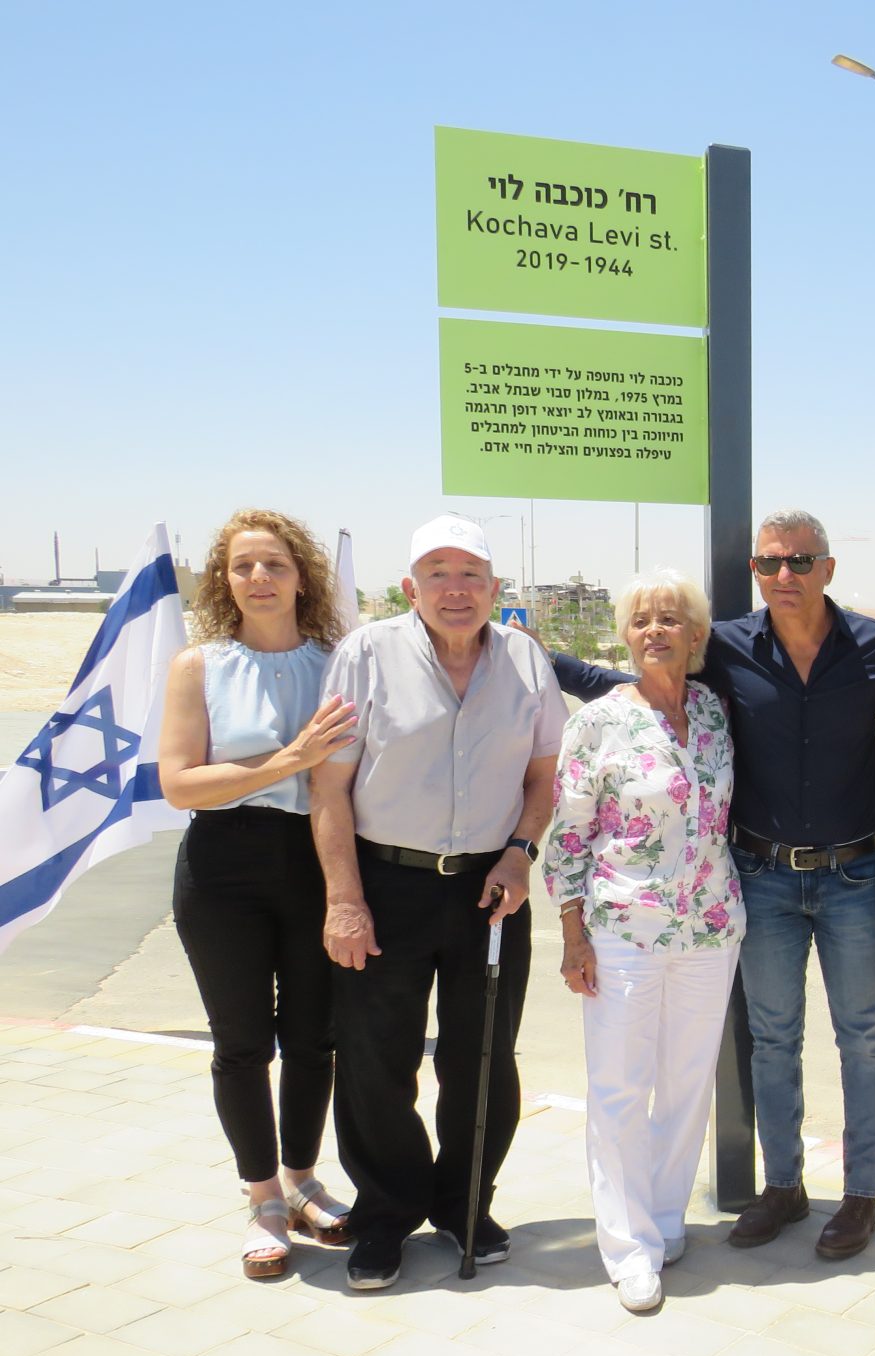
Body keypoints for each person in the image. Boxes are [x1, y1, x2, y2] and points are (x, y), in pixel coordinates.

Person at [544, 510, 875, 1259]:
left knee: (864, 1039)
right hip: (762, 877)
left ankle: (861, 1195)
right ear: (754, 571)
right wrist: (530, 656)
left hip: (854, 874)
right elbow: (642, 682)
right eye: (770, 562)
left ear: (828, 568)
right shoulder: (732, 647)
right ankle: (784, 1186)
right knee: (772, 1040)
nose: (784, 575)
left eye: (800, 561)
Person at [309, 515, 566, 1291]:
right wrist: (344, 900)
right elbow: (329, 787)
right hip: (385, 884)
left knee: (482, 1059)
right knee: (374, 1060)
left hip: (490, 886)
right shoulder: (365, 656)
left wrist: (521, 853)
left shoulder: (525, 659)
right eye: (438, 573)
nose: (456, 589)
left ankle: (463, 1205)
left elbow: (544, 777)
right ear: (410, 588)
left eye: (471, 574)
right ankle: (387, 1212)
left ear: (494, 586)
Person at [160, 509, 358, 1280]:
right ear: (225, 580)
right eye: (242, 566)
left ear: (302, 576)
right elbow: (181, 784)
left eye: (274, 563)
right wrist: (290, 759)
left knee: (314, 1037)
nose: (259, 577)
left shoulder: (338, 664)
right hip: (222, 870)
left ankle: (303, 1181)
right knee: (241, 1043)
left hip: (314, 860)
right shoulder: (198, 667)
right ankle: (263, 1198)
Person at [542, 572, 743, 1313]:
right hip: (622, 929)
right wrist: (572, 934)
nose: (655, 631)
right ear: (625, 636)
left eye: (670, 619)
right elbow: (568, 835)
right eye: (641, 620)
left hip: (711, 926)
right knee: (620, 1088)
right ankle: (627, 1247)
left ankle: (664, 1217)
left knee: (687, 1080)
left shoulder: (714, 713)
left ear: (696, 635)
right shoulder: (597, 723)